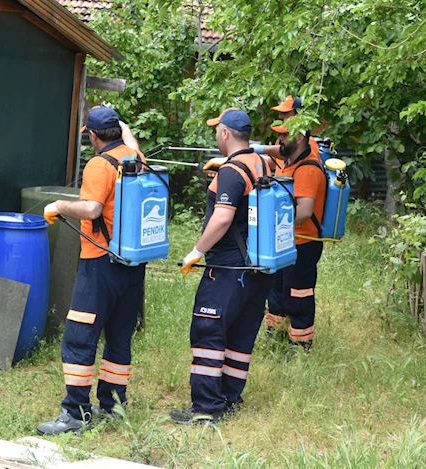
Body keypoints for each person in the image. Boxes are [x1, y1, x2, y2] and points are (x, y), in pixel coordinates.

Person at [37, 106, 145, 435]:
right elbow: (132, 141)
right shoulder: (134, 158)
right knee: (119, 336)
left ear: (94, 136)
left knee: (78, 337)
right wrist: (124, 128)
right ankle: (113, 406)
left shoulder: (99, 165)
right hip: (131, 264)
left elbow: (92, 208)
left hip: (100, 262)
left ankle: (75, 413)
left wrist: (58, 205)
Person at [171, 108, 273, 424]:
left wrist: (196, 252)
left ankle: (206, 407)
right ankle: (229, 398)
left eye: (217, 129)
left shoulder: (231, 171)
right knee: (241, 335)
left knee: (208, 332)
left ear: (226, 133)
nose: (216, 134)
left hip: (228, 269)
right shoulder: (261, 162)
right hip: (257, 267)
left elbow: (223, 217)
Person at [267, 122, 327, 349]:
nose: (279, 140)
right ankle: (277, 337)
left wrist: (272, 227)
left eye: (284, 135)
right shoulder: (288, 162)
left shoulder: (307, 169)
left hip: (303, 243)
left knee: (298, 295)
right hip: (285, 241)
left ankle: (301, 345)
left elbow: (304, 212)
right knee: (277, 291)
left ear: (299, 138)